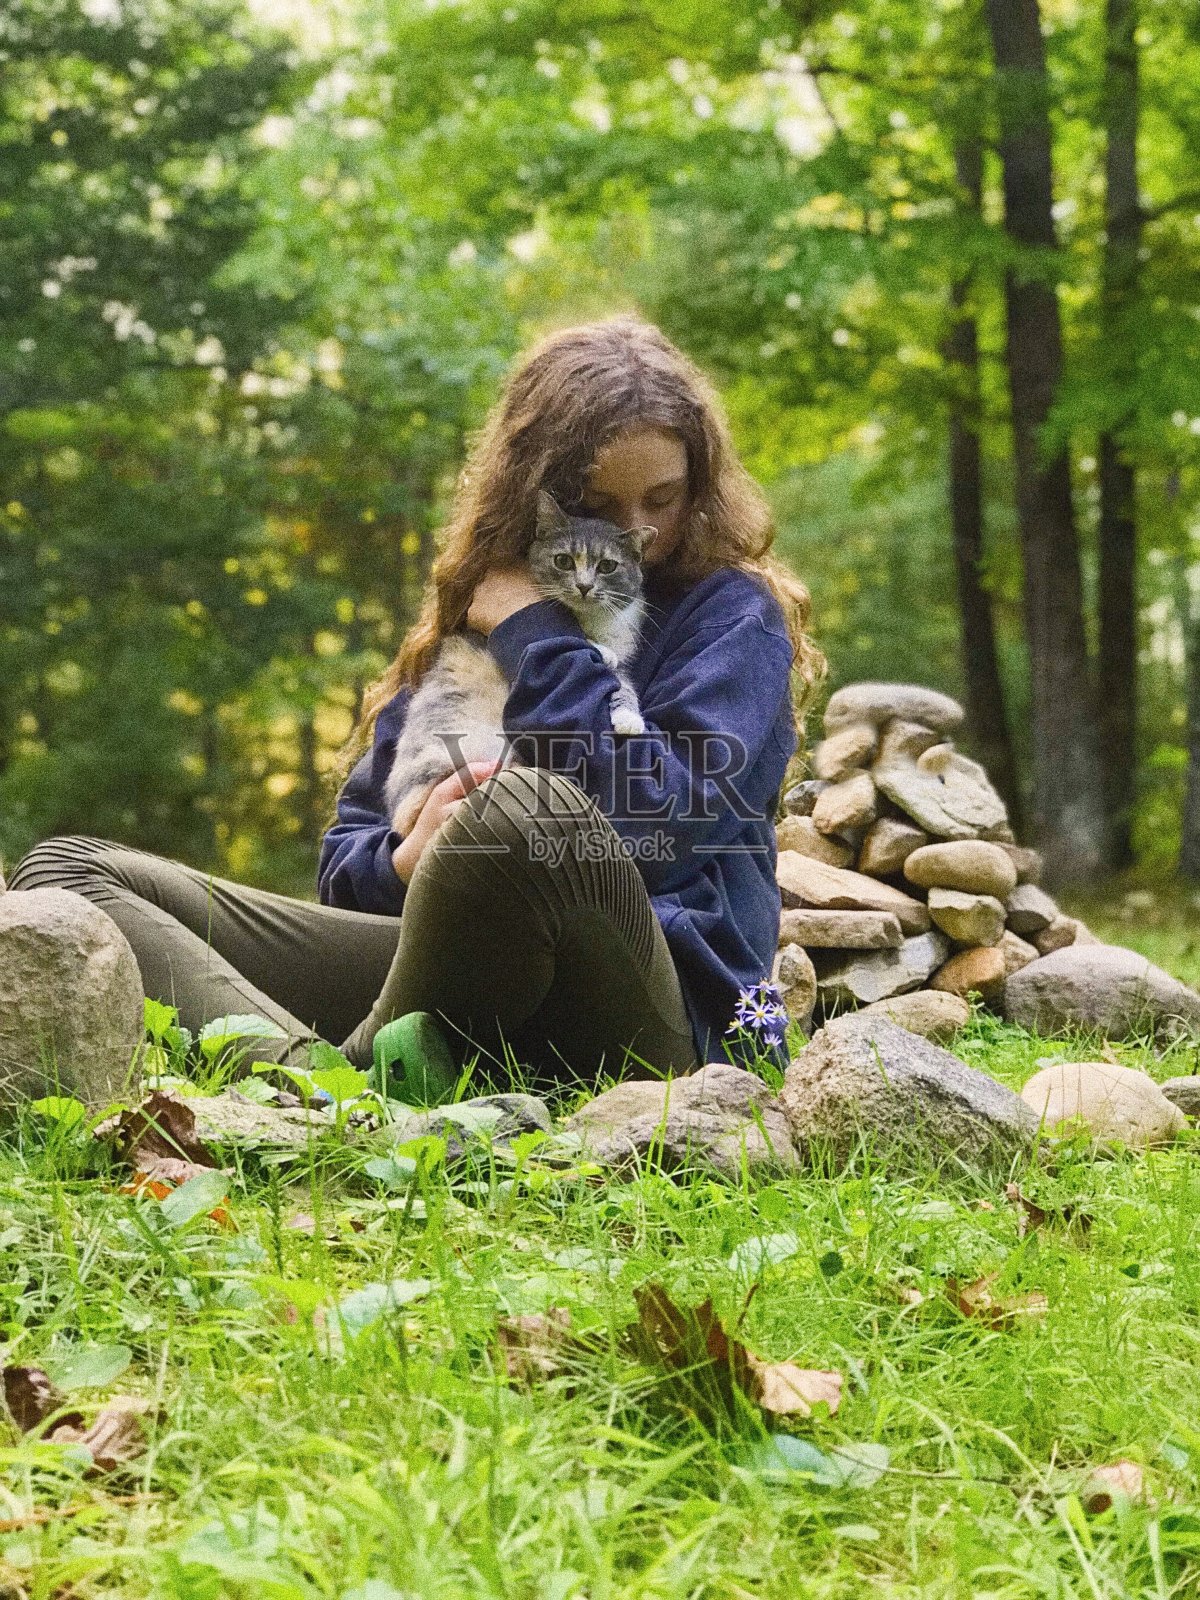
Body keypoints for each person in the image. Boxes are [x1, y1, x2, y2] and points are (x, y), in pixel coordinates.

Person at [10, 315, 823, 1093]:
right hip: (456, 977)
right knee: (66, 876)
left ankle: (357, 1084)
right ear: (536, 494)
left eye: (663, 500)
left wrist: (539, 637)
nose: (637, 533)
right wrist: (404, 859)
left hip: (649, 1011)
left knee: (521, 814)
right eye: (599, 505)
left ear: (699, 490)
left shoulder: (728, 617)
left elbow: (661, 833)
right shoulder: (475, 617)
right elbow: (345, 866)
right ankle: (316, 1090)